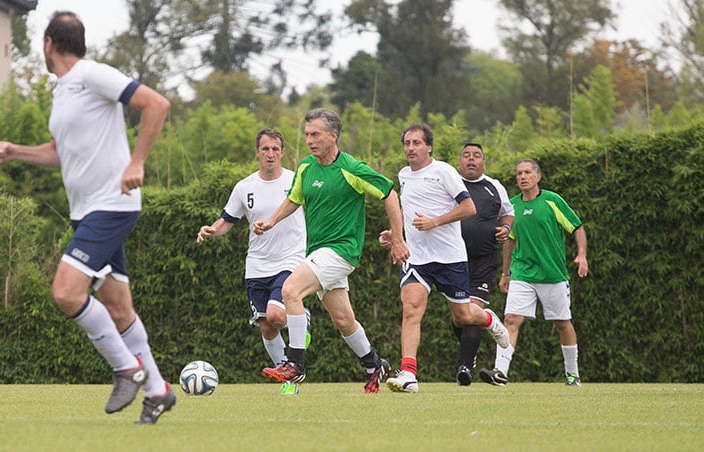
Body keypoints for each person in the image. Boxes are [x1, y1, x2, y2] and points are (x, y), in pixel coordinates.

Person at [0, 11, 175, 424]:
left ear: (48, 44)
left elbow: (156, 104)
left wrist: (137, 162)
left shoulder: (91, 74)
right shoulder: (65, 92)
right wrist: (15, 151)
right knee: (118, 307)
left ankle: (127, 368)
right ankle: (159, 390)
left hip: (111, 204)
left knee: (66, 293)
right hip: (86, 211)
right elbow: (60, 152)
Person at [253, 108, 410, 394]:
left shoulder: (351, 168)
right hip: (318, 251)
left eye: (315, 134)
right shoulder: (305, 168)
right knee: (343, 320)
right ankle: (375, 364)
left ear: (333, 136)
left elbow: (389, 193)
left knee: (290, 291)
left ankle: (295, 364)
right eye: (307, 134)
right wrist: (271, 221)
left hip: (341, 250)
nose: (310, 140)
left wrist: (398, 239)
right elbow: (294, 199)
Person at [380, 124, 510, 393]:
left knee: (463, 316)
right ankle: (408, 374)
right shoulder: (403, 175)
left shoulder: (444, 172)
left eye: (417, 143)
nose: (411, 148)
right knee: (411, 308)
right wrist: (394, 233)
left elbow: (468, 207)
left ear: (429, 147)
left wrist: (435, 222)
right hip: (418, 259)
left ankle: (487, 319)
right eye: (407, 143)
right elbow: (408, 210)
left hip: (450, 258)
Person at [196, 128, 310, 371]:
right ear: (257, 152)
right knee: (267, 326)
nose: (270, 154)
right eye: (265, 149)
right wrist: (212, 230)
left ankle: (302, 319)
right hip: (257, 264)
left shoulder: (295, 181)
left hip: (290, 259)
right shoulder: (244, 187)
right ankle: (285, 373)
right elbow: (226, 220)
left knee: (277, 316)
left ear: (283, 152)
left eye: (275, 149)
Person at [478, 158, 588, 387]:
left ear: (538, 177)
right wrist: (506, 273)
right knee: (511, 319)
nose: (522, 176)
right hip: (522, 274)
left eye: (527, 172)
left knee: (562, 323)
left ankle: (572, 374)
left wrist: (582, 255)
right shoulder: (512, 206)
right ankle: (500, 372)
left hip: (553, 274)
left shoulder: (552, 201)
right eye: (519, 173)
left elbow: (577, 227)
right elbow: (510, 240)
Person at [453, 143, 514, 386]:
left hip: (484, 261)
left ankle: (465, 367)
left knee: (469, 312)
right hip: (453, 260)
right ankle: (487, 320)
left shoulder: (494, 186)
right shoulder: (451, 184)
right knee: (459, 317)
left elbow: (508, 214)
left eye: (476, 156)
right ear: (459, 162)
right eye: (466, 155)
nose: (471, 159)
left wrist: (506, 228)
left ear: (483, 163)